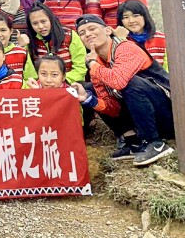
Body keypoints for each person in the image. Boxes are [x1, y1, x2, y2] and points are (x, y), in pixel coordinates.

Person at [73, 14, 174, 166]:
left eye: (92, 28)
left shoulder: (126, 48)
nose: (87, 34)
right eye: (82, 33)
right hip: (142, 116)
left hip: (168, 114)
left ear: (108, 30)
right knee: (88, 89)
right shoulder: (97, 62)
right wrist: (89, 100)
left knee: (130, 83)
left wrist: (93, 65)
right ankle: (132, 142)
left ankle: (154, 143)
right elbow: (112, 109)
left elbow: (118, 81)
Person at [21, 2, 87, 85]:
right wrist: (22, 47)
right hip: (41, 87)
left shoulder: (69, 35)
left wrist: (61, 82)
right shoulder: (29, 41)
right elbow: (29, 72)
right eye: (35, 23)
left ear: (51, 19)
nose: (40, 26)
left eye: (43, 21)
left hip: (70, 84)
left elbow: (80, 67)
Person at [117, 0, 169, 71]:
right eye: (126, 17)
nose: (131, 21)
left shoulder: (162, 39)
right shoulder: (119, 41)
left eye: (135, 16)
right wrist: (120, 40)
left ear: (145, 16)